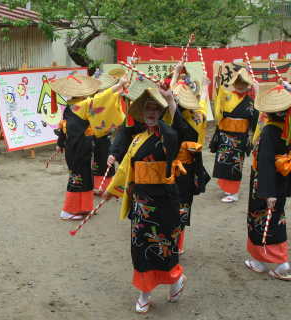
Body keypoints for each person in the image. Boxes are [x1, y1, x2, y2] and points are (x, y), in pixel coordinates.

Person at [103, 87, 186, 313]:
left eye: (155, 109)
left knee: (164, 246)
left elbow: (185, 135)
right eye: (147, 108)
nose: (151, 113)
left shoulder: (168, 135)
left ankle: (176, 278)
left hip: (164, 201)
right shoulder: (138, 137)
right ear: (142, 112)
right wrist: (114, 189)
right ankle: (145, 292)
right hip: (141, 204)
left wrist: (170, 101)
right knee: (140, 248)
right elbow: (126, 170)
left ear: (161, 112)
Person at [52, 74, 127, 220]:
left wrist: (60, 143)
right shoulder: (80, 105)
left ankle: (83, 208)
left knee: (85, 178)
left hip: (79, 148)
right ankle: (68, 211)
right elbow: (100, 99)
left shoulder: (71, 105)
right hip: (77, 150)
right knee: (77, 179)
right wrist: (118, 86)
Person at [245, 83, 291, 280]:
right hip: (280, 180)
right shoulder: (287, 127)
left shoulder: (270, 131)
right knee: (275, 218)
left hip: (265, 184)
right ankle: (272, 260)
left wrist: (267, 191)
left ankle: (277, 263)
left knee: (262, 220)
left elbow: (264, 162)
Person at [166, 64, 211, 254]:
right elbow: (202, 100)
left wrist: (176, 74)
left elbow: (170, 105)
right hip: (189, 169)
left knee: (173, 205)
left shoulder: (180, 122)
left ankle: (172, 244)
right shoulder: (199, 115)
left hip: (177, 170)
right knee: (183, 205)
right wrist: (205, 85)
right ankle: (178, 244)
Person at [211, 68, 258, 203]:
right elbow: (219, 107)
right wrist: (218, 85)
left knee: (235, 164)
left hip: (240, 138)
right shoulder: (227, 95)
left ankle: (234, 193)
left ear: (248, 85)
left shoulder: (251, 101)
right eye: (238, 82)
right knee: (223, 162)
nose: (240, 85)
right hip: (225, 135)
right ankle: (227, 189)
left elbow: (255, 121)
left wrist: (253, 138)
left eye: (243, 82)